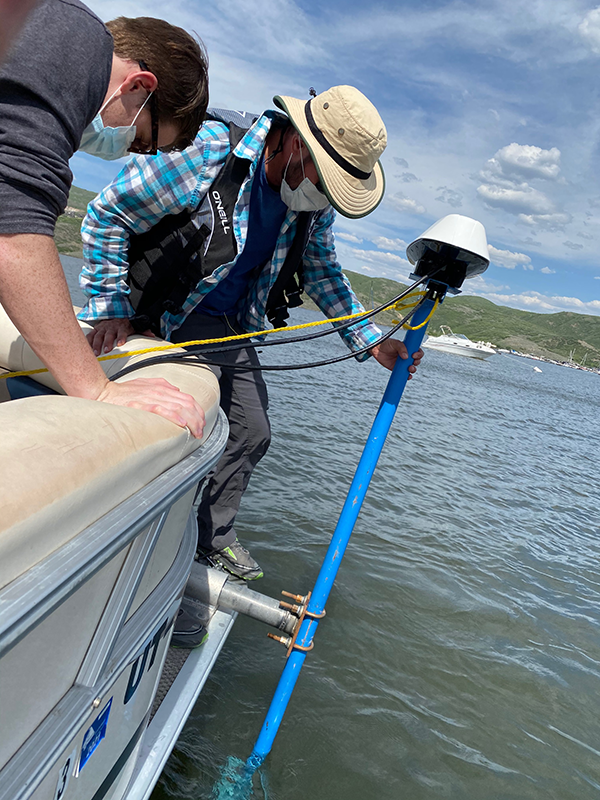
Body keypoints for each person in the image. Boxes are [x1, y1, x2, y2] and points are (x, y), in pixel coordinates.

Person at [78, 85, 424, 596]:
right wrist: (111, 309)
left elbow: (322, 270)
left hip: (230, 321)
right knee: (172, 428)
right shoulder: (207, 148)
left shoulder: (311, 199)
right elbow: (109, 214)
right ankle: (126, 535)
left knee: (251, 431)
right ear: (296, 145)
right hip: (159, 316)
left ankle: (207, 537)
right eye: (323, 183)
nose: (324, 200)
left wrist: (372, 340)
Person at [0, 1, 209, 436]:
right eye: (143, 142)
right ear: (139, 86)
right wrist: (97, 390)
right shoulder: (76, 41)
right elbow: (13, 229)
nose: (133, 153)